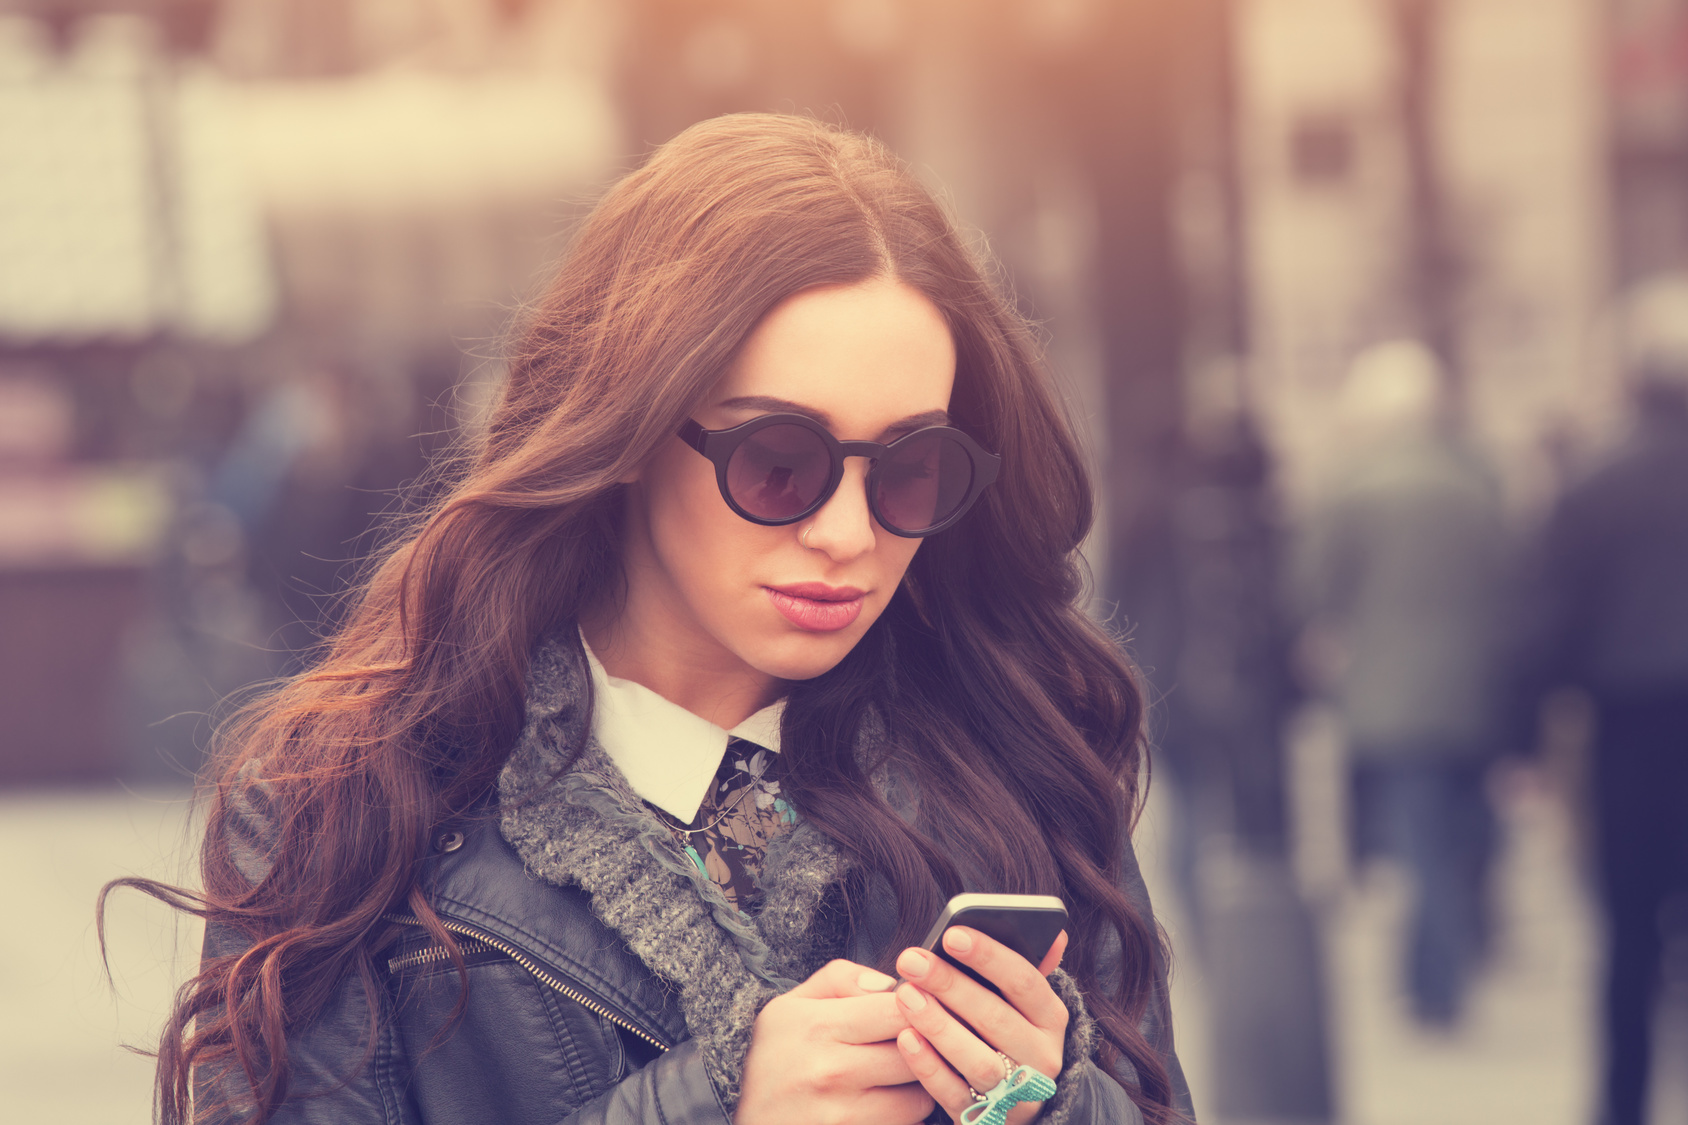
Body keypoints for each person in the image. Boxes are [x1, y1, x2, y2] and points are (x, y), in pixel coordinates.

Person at [109, 115, 1193, 1125]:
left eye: (910, 470)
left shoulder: (1022, 760)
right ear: (628, 430)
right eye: (781, 464)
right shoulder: (345, 803)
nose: (848, 534)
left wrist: (1042, 1104)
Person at [1516, 278, 1688, 1125]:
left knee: (1628, 931)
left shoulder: (1594, 481)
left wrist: (1521, 736)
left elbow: (1550, 618)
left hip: (1632, 732)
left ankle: (1625, 1103)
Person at [1296, 340, 1507, 1027]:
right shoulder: (1478, 480)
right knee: (1459, 833)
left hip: (1391, 697)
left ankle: (1436, 984)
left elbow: (1312, 586)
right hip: (1476, 692)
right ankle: (1455, 957)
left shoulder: (1355, 484)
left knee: (1419, 847)